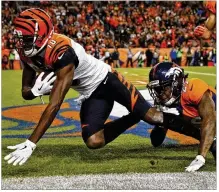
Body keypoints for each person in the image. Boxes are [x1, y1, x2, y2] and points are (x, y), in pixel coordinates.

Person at [4, 8, 179, 166]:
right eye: (19, 38)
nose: (21, 44)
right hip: (91, 93)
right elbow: (25, 92)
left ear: (42, 36)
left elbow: (55, 104)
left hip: (107, 80)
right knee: (94, 141)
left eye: (26, 39)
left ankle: (200, 133)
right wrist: (34, 91)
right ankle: (134, 116)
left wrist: (31, 142)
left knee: (152, 117)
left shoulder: (62, 52)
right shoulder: (26, 53)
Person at [146, 61, 216, 172]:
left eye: (163, 88)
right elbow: (156, 141)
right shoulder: (169, 102)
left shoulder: (192, 87)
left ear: (175, 82)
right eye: (157, 90)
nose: (160, 94)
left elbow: (211, 118)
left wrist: (201, 157)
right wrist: (160, 121)